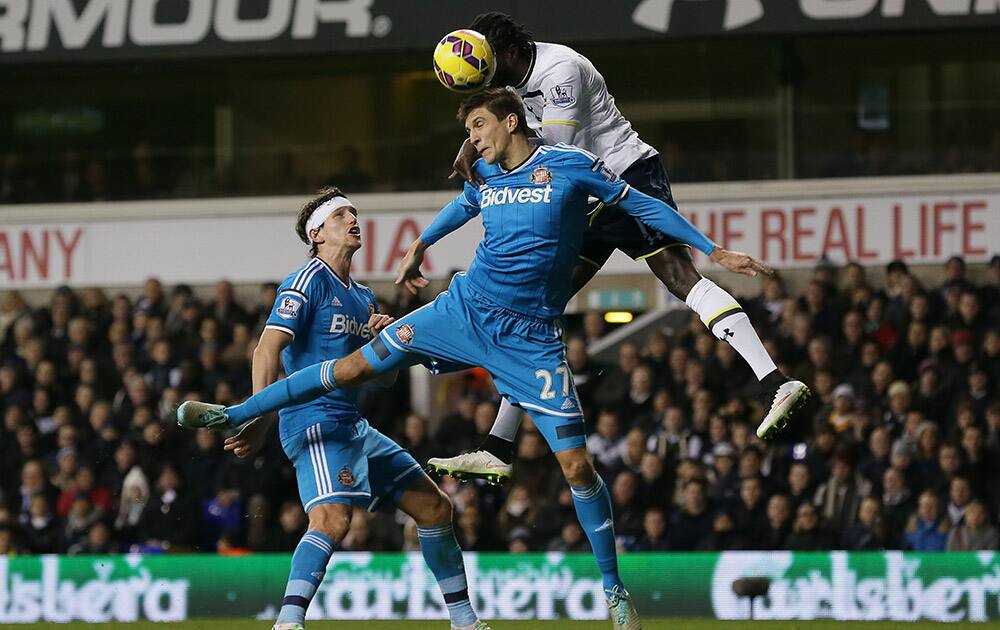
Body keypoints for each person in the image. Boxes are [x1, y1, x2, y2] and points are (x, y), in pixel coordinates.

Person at [178, 88, 770, 629]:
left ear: (512, 120)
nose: (473, 139)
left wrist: (711, 249)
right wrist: (421, 244)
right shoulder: (481, 172)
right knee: (357, 369)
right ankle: (235, 414)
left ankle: (614, 593)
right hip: (462, 310)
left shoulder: (568, 166)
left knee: (575, 469)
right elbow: (462, 206)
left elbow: (643, 207)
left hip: (531, 338)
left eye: (481, 125)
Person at [429, 13, 809, 483]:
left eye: (487, 67)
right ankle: (498, 446)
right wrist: (479, 136)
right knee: (538, 308)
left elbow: (555, 153)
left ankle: (776, 381)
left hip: (626, 175)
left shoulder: (560, 70)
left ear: (506, 53)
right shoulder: (509, 89)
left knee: (681, 280)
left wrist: (486, 148)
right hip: (582, 196)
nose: (485, 78)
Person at [184, 188, 489, 630]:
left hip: (353, 426)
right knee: (331, 518)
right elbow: (267, 349)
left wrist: (383, 344)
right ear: (317, 232)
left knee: (436, 507)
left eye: (354, 212)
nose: (353, 219)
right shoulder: (308, 278)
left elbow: (382, 378)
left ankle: (465, 622)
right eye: (341, 214)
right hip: (312, 421)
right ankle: (287, 623)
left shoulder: (364, 298)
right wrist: (257, 414)